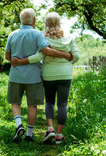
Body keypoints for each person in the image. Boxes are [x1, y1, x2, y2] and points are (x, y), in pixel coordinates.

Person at [11, 12, 80, 144]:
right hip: (65, 74)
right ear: (60, 22)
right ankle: (59, 135)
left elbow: (38, 57)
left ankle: (50, 129)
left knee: (49, 102)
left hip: (48, 74)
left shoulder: (43, 38)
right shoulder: (69, 37)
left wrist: (21, 61)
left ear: (46, 23)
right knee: (63, 104)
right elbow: (76, 56)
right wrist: (68, 57)